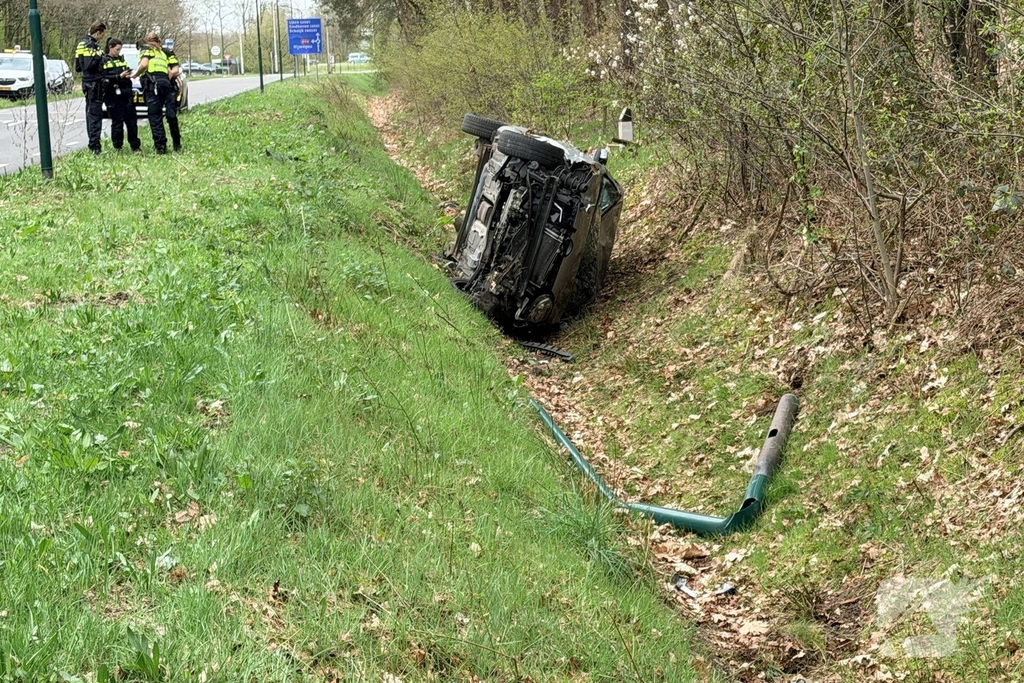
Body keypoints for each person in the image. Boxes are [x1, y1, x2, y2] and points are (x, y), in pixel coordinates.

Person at [129, 32, 178, 154]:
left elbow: (144, 64)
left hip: (152, 84)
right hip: (166, 84)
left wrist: (135, 74)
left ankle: (161, 147)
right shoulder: (162, 52)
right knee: (171, 116)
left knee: (155, 116)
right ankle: (177, 144)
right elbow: (174, 70)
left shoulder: (146, 49)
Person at [101, 38, 141, 152]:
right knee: (117, 122)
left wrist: (128, 75)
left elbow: (125, 72)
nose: (118, 52)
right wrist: (119, 77)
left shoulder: (122, 60)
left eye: (120, 49)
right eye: (117, 49)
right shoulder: (104, 61)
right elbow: (104, 78)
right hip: (113, 95)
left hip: (126, 94)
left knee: (132, 121)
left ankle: (135, 146)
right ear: (110, 47)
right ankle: (118, 147)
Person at [74, 21, 106, 155]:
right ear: (97, 33)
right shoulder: (91, 46)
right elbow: (89, 66)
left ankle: (93, 144)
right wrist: (98, 57)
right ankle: (95, 147)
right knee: (95, 116)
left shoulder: (81, 44)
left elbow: (78, 67)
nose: (102, 37)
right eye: (102, 35)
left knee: (90, 114)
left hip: (87, 83)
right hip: (94, 84)